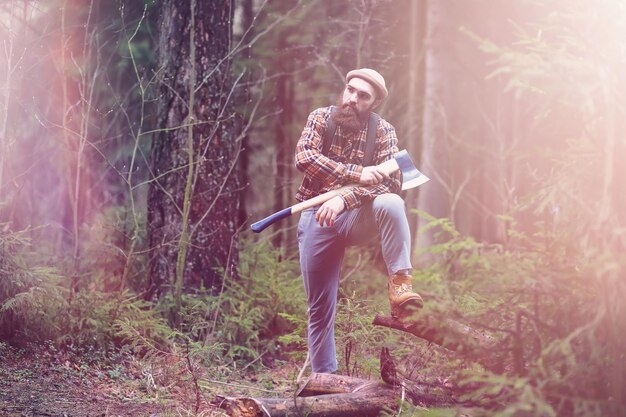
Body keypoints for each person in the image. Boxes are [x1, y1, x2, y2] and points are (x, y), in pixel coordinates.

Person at [294, 68, 422, 374]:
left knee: (391, 202)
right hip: (316, 216)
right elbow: (304, 158)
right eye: (350, 90)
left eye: (362, 95)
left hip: (355, 217)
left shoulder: (383, 131)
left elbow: (390, 184)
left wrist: (342, 199)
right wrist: (355, 174)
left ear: (374, 102)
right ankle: (325, 381)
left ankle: (401, 286)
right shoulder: (320, 118)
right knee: (319, 308)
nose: (352, 99)